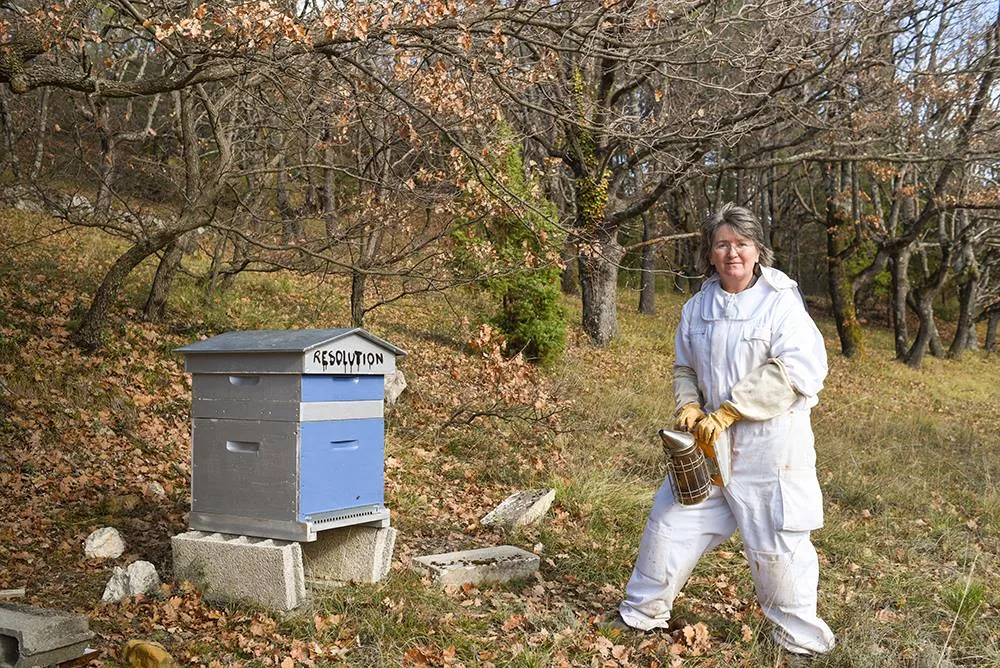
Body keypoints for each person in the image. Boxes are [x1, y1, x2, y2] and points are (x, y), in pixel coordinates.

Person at [614, 203, 836, 659]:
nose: (732, 252)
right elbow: (684, 366)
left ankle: (800, 643)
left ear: (758, 250)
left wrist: (732, 411)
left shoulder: (781, 303)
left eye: (742, 243)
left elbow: (799, 370)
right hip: (709, 447)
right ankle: (641, 614)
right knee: (669, 523)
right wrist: (690, 405)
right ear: (710, 254)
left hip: (772, 449)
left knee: (779, 546)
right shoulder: (698, 306)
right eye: (722, 244)